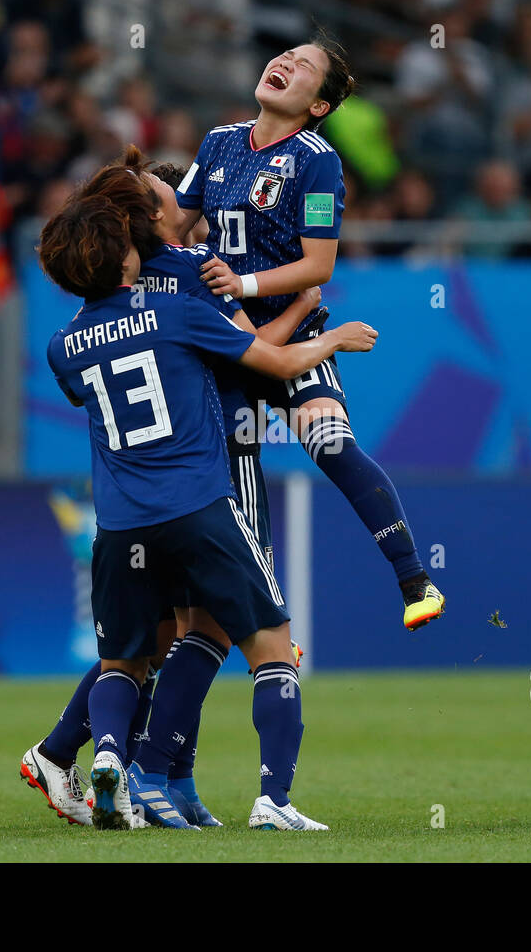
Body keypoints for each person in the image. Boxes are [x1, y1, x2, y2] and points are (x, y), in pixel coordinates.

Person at [34, 167, 377, 830]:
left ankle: (108, 755)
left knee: (124, 662)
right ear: (125, 257)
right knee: (272, 646)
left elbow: (90, 387)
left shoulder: (62, 347)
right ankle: (274, 801)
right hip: (198, 504)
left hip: (119, 525)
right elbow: (271, 364)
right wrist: (328, 331)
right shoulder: (176, 310)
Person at [174, 34, 446, 631]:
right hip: (230, 344)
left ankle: (414, 579)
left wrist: (239, 283)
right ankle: (270, 626)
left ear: (317, 106)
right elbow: (178, 221)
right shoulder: (219, 142)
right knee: (241, 484)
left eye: (302, 68)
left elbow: (318, 266)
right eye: (285, 57)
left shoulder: (316, 159)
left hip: (293, 331)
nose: (284, 64)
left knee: (330, 443)